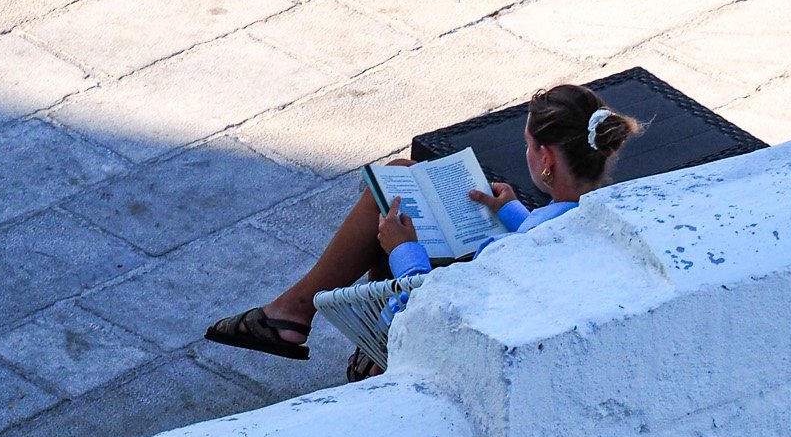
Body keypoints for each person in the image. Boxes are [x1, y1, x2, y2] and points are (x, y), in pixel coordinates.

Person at [204, 84, 641, 379]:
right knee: (404, 177)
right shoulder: (596, 214)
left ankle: (362, 348)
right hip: (511, 291)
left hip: (438, 328)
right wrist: (509, 211)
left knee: (395, 210)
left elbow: (437, 304)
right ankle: (298, 315)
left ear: (546, 160)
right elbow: (540, 233)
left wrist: (404, 250)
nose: (524, 153)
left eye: (527, 145)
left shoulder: (526, 249)